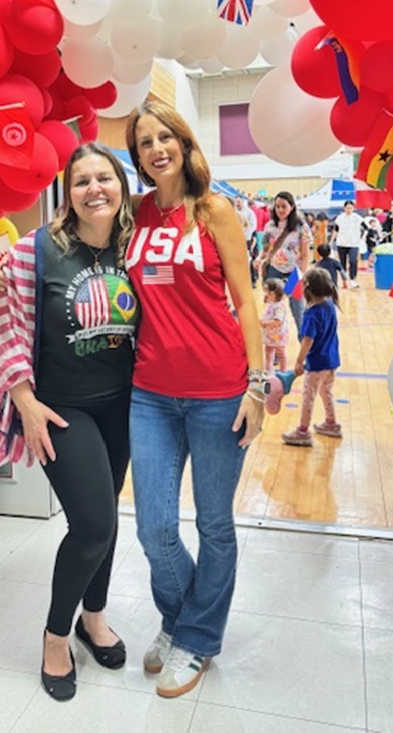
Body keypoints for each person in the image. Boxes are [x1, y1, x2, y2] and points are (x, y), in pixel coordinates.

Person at [0, 143, 139, 703]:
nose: (95, 189)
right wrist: (23, 398)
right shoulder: (36, 249)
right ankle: (55, 636)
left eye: (104, 178)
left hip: (123, 405)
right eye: (81, 181)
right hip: (60, 410)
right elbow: (3, 322)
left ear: (121, 185)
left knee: (107, 519)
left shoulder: (134, 245)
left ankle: (95, 617)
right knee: (92, 525)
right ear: (67, 193)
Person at [125, 100, 264, 699]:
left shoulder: (214, 210)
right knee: (153, 528)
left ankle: (196, 639)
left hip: (218, 392)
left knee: (214, 525)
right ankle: (182, 621)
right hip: (150, 394)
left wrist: (258, 385)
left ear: (183, 144)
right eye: (145, 142)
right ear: (137, 157)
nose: (157, 149)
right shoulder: (133, 214)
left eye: (166, 137)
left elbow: (247, 300)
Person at [282, 267, 341, 447]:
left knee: (309, 396)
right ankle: (331, 423)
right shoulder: (330, 305)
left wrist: (299, 361)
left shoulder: (311, 314)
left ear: (307, 289)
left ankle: (303, 431)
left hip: (317, 363)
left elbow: (308, 340)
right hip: (332, 360)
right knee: (326, 391)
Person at [257, 191, 313, 332]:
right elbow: (265, 248)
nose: (280, 210)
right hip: (273, 271)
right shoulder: (270, 226)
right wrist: (259, 259)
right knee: (273, 310)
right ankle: (275, 345)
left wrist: (301, 275)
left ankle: (305, 344)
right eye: (277, 206)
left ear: (292, 206)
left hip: (294, 273)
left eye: (284, 206)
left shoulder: (301, 227)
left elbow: (305, 255)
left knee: (298, 310)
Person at [333, 200, 365, 288]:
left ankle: (353, 279)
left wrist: (362, 237)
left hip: (354, 243)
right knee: (342, 263)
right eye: (347, 208)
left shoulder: (358, 218)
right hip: (341, 243)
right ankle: (344, 280)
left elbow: (365, 228)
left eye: (350, 208)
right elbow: (336, 230)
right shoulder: (339, 218)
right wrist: (332, 241)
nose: (349, 210)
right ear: (344, 208)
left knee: (353, 260)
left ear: (353, 208)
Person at [260, 277, 289, 371]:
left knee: (281, 354)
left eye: (266, 292)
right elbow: (266, 301)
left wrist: (264, 323)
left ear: (272, 294)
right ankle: (269, 372)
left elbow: (278, 321)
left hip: (278, 336)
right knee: (268, 354)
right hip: (270, 335)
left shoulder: (279, 306)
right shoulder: (272, 302)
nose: (265, 294)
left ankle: (283, 372)